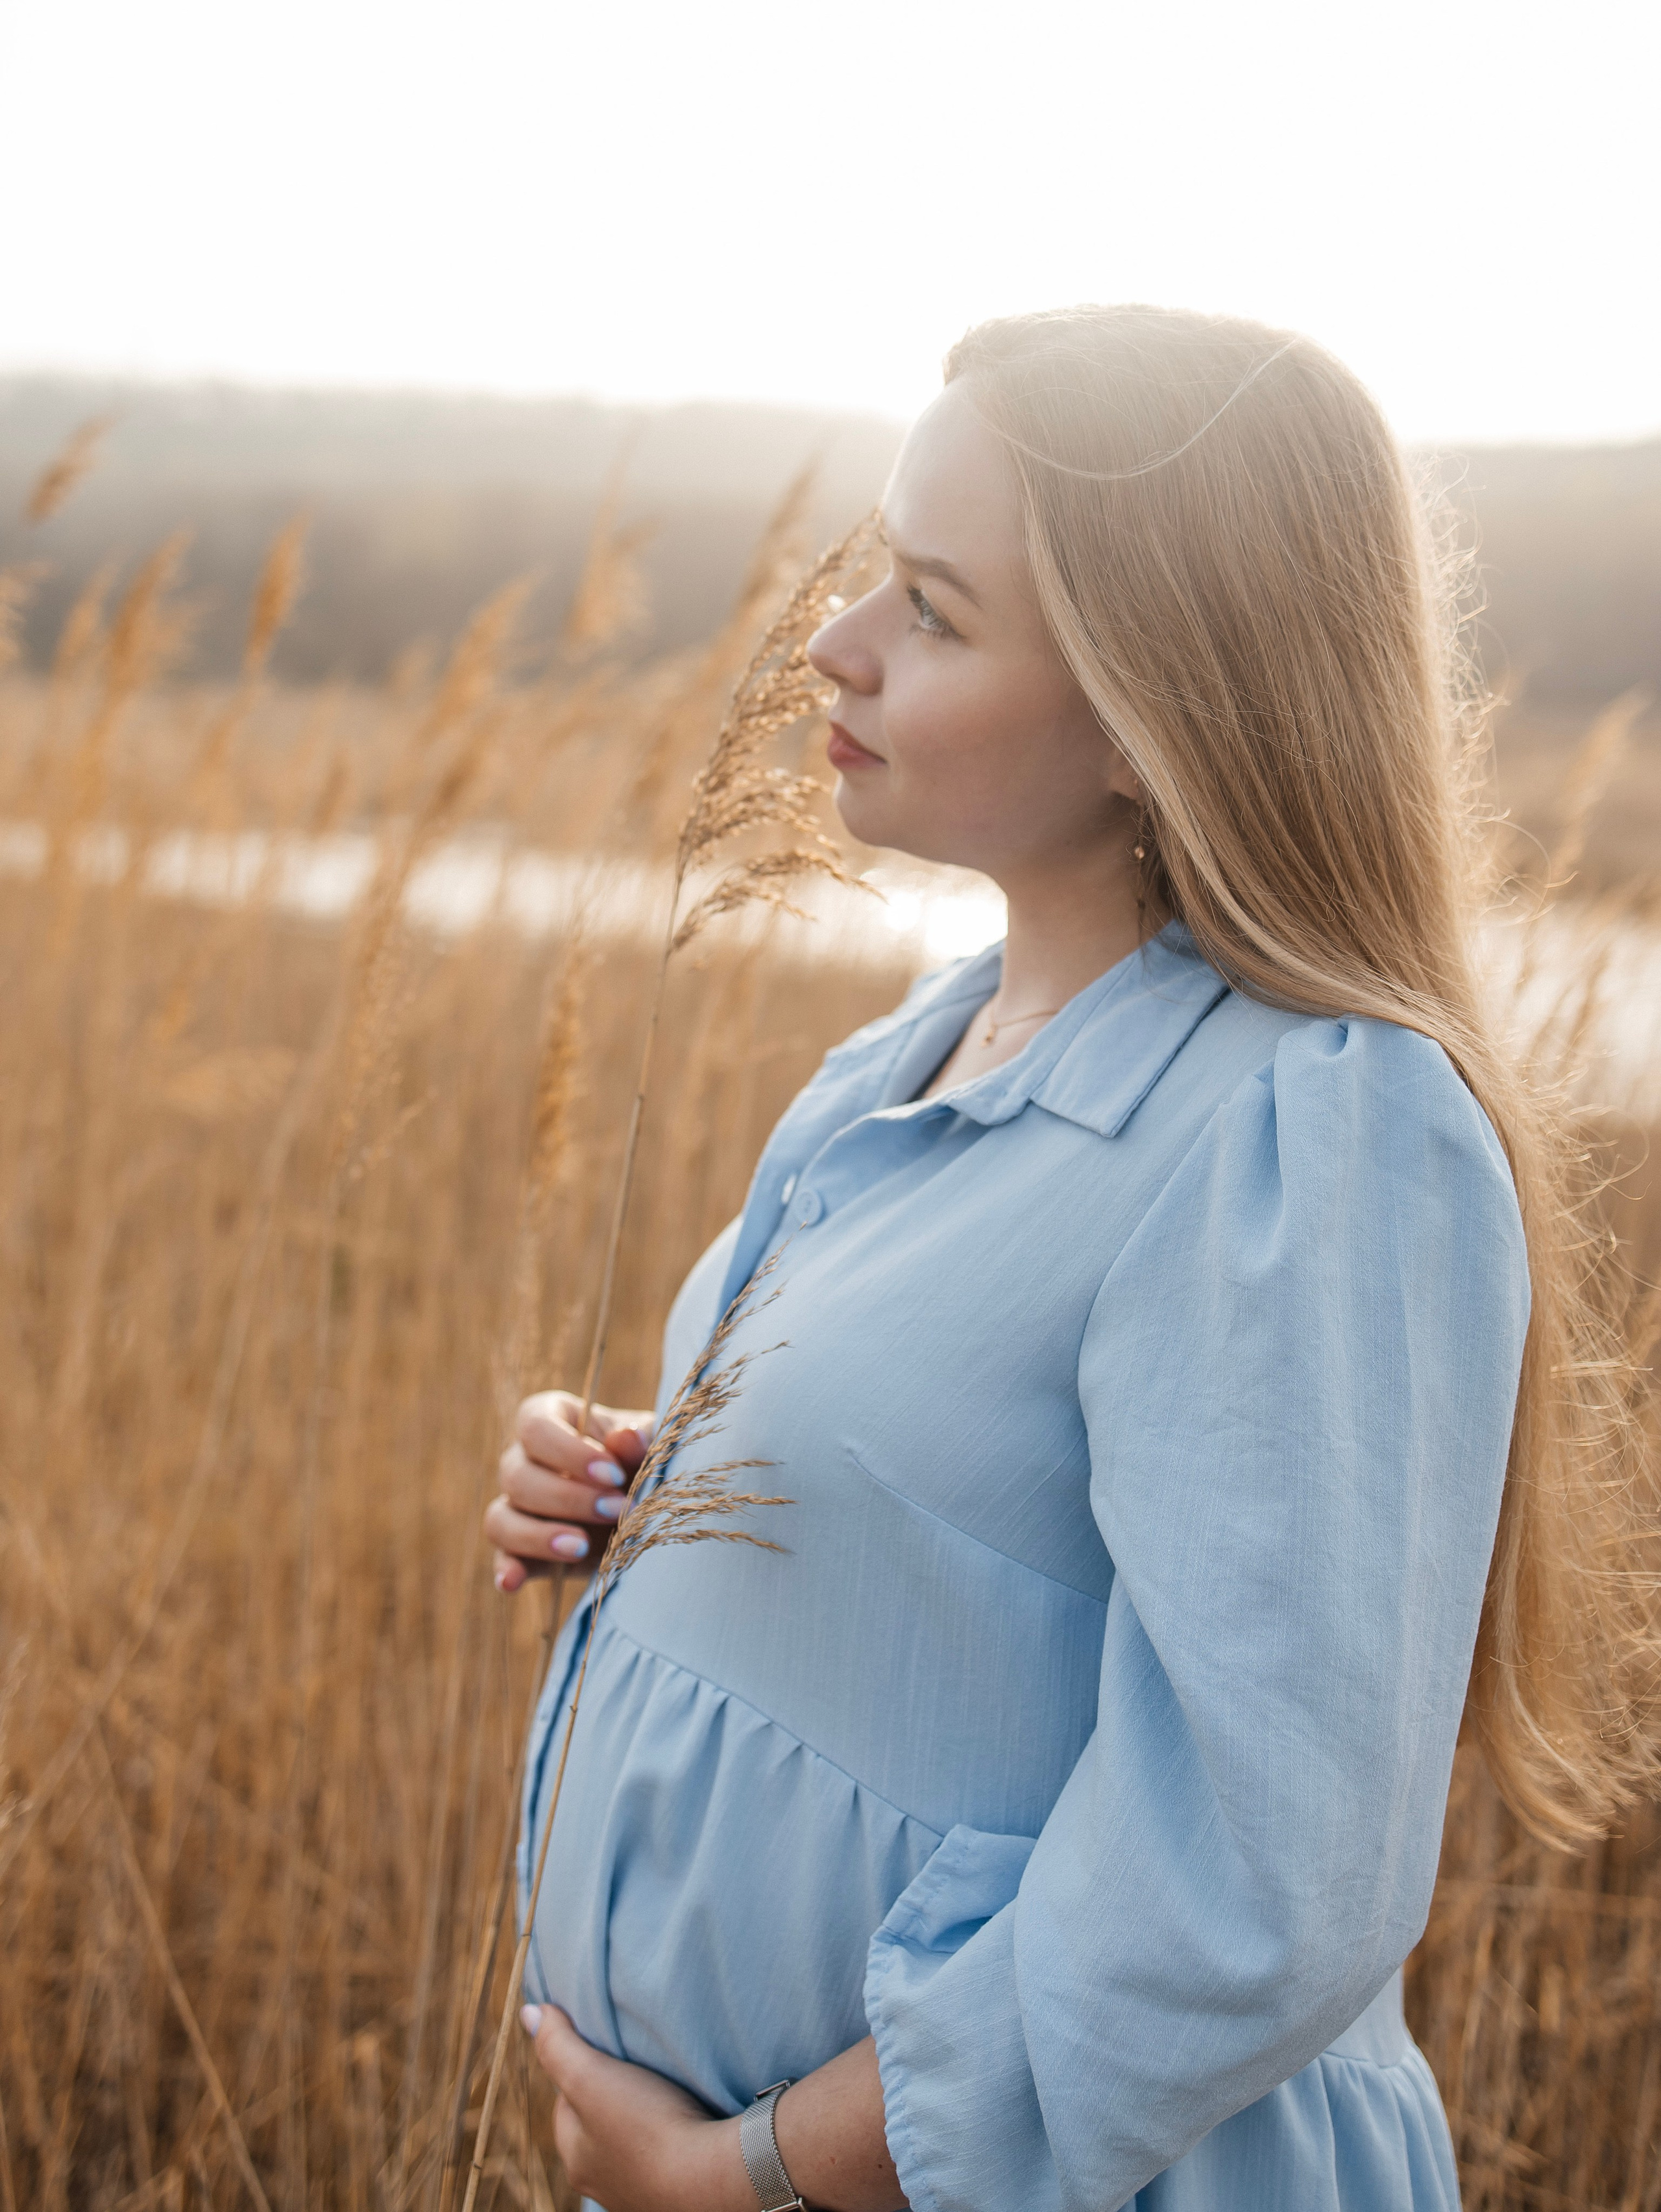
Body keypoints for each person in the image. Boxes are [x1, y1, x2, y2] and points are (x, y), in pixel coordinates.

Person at [483, 304, 1650, 2212]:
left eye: (932, 609)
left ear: (1144, 708)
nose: (833, 640)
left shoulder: (1311, 1127)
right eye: (874, 566)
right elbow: (971, 1535)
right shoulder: (909, 1049)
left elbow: (1256, 1883)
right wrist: (647, 1483)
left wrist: (759, 2168)